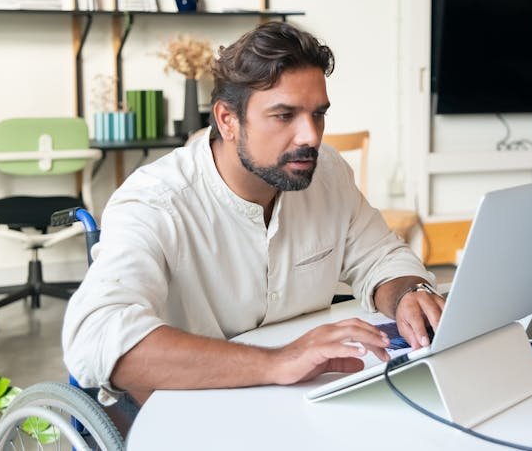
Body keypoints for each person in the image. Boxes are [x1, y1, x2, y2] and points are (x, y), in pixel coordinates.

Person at [62, 21, 444, 409]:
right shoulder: (156, 200)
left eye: (318, 114)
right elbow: (97, 336)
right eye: (284, 115)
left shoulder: (327, 172)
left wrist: (409, 293)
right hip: (187, 405)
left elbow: (381, 258)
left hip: (305, 397)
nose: (310, 136)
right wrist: (279, 361)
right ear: (227, 120)